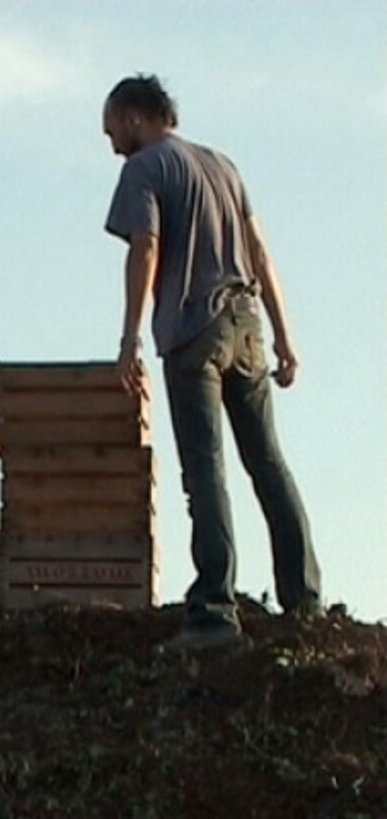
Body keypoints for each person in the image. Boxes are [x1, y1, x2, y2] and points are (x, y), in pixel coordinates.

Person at [102, 74, 322, 651]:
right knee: (268, 463)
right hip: (246, 324)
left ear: (133, 117)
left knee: (205, 470)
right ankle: (304, 599)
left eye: (111, 130)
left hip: (192, 328)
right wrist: (284, 338)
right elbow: (260, 252)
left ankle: (213, 615)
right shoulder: (222, 165)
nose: (111, 145)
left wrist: (130, 338)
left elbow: (145, 246)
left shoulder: (145, 169)